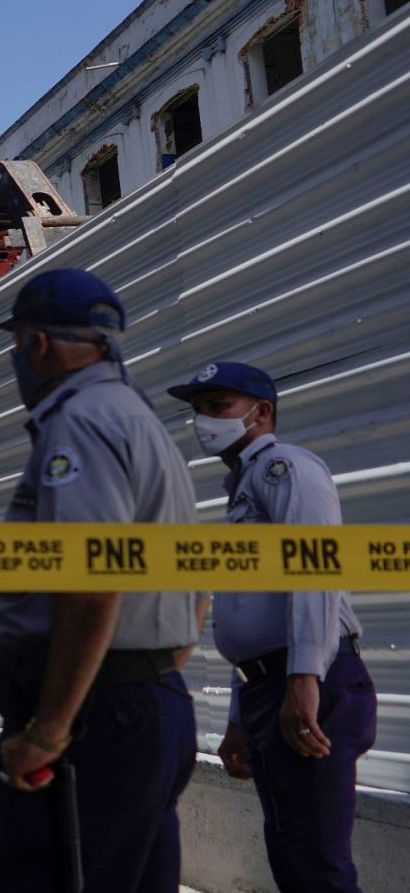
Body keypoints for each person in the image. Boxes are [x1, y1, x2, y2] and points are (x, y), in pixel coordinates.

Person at [0, 268, 202, 893]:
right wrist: (157, 662)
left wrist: (49, 730)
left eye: (18, 342)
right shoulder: (142, 422)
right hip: (151, 700)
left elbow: (90, 582)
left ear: (37, 344)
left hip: (95, 718)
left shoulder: (78, 422)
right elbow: (195, 576)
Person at [167, 361, 375, 892]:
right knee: (292, 855)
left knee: (317, 866)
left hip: (309, 680)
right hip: (272, 685)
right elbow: (251, 615)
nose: (203, 421)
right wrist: (240, 714)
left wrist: (304, 678)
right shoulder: (244, 492)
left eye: (218, 407)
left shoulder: (285, 469)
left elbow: (316, 568)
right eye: (198, 410)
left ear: (261, 413)